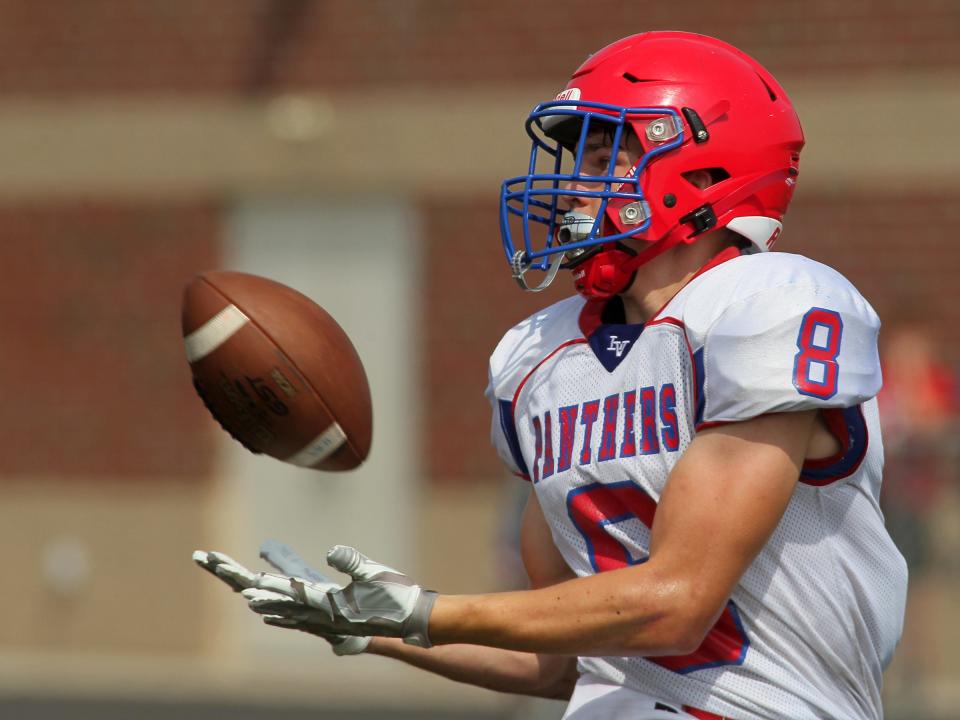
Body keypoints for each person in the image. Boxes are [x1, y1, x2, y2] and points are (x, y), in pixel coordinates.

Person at [195, 31, 908, 720]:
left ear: (701, 167)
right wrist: (373, 627)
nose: (570, 185)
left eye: (602, 151)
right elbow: (564, 659)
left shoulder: (770, 303)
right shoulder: (538, 355)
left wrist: (429, 611)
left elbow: (677, 602)